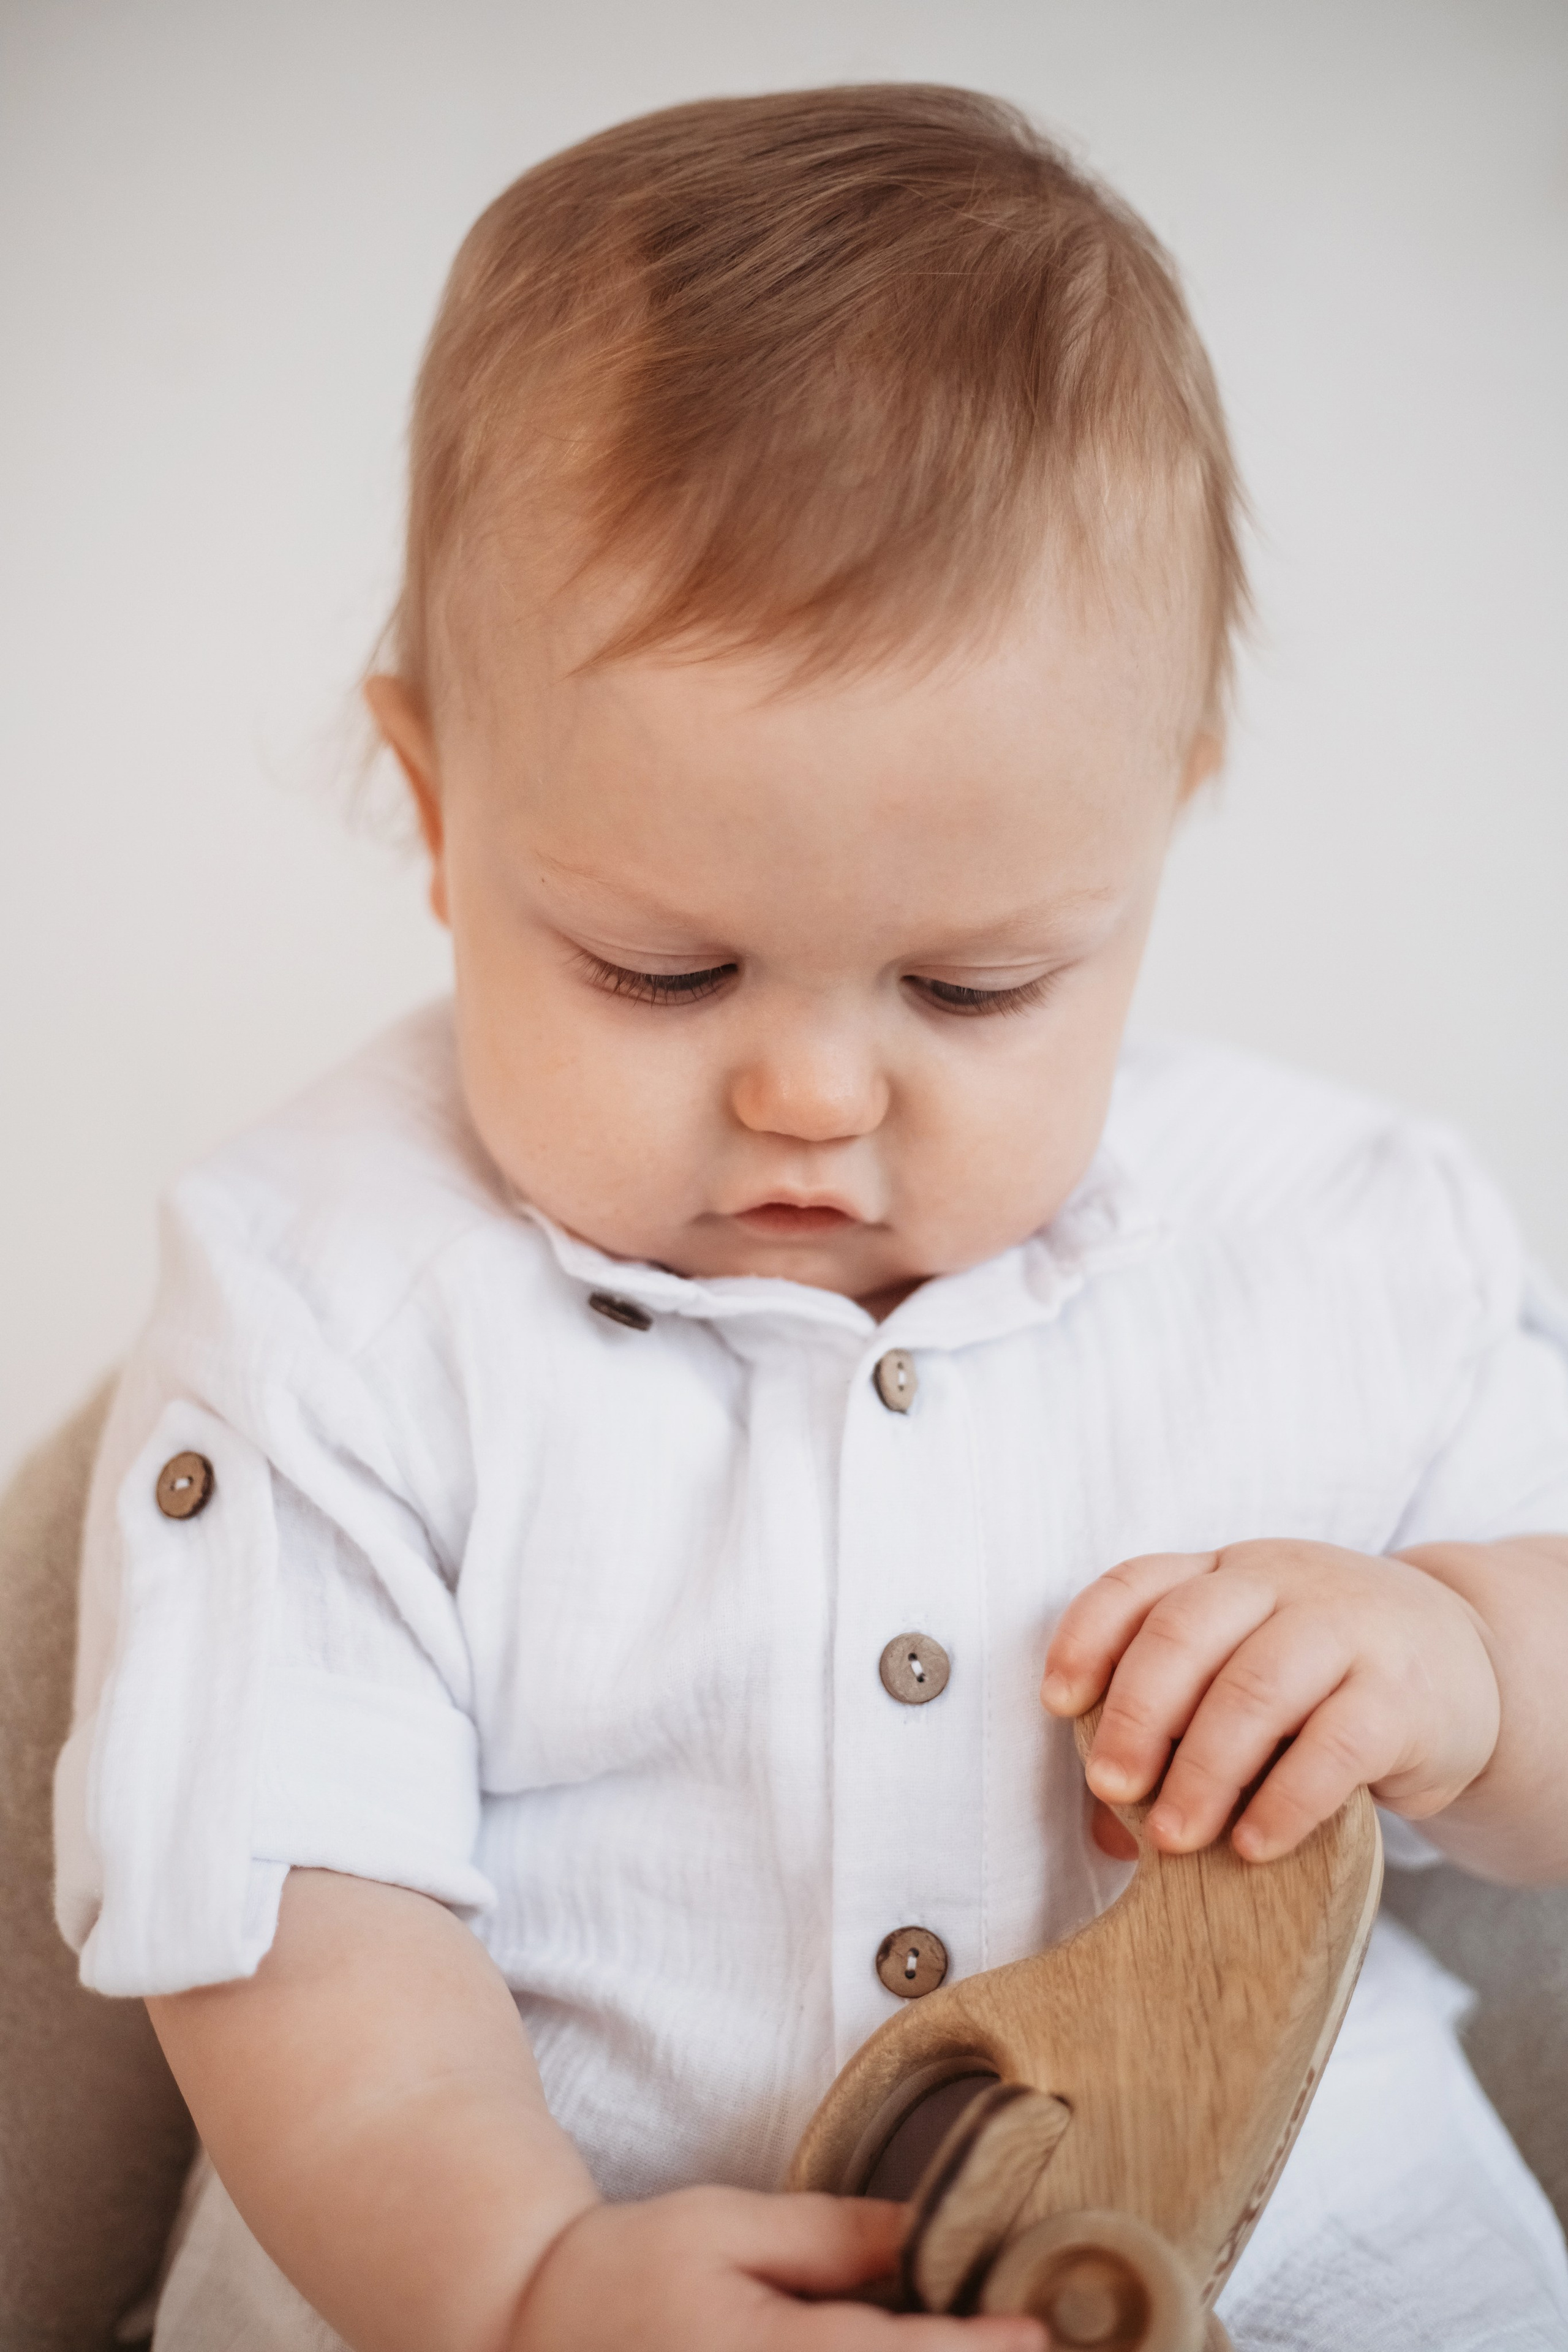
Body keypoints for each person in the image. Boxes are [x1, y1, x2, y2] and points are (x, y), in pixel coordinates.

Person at [53, 85, 1568, 2352]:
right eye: (662, 973)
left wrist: (1460, 1667)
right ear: (442, 811)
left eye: (977, 985)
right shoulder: (324, 1297)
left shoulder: (1347, 1236)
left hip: (1294, 2264)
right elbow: (292, 1919)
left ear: (1164, 822)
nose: (811, 1094)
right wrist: (519, 2284)